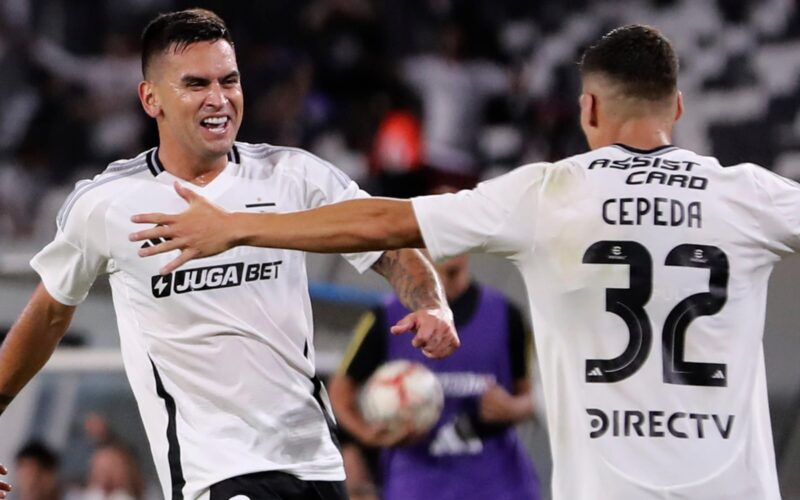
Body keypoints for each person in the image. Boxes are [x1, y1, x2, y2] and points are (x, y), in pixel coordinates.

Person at [128, 24, 800, 499]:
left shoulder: (548, 193)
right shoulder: (753, 195)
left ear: (588, 109)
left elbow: (381, 220)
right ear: (678, 107)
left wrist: (236, 226)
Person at [0, 8, 459, 500]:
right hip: (212, 469)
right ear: (150, 98)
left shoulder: (295, 176)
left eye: (230, 80)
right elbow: (48, 312)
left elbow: (386, 242)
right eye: (196, 84)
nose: (219, 99)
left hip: (313, 459)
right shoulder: (106, 203)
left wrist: (430, 302)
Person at [330, 253, 540, 500]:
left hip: (502, 486)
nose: (451, 248)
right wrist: (367, 434)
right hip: (416, 487)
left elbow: (531, 396)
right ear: (418, 246)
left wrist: (513, 408)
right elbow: (340, 391)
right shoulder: (386, 317)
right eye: (440, 237)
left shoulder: (507, 314)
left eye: (459, 238)